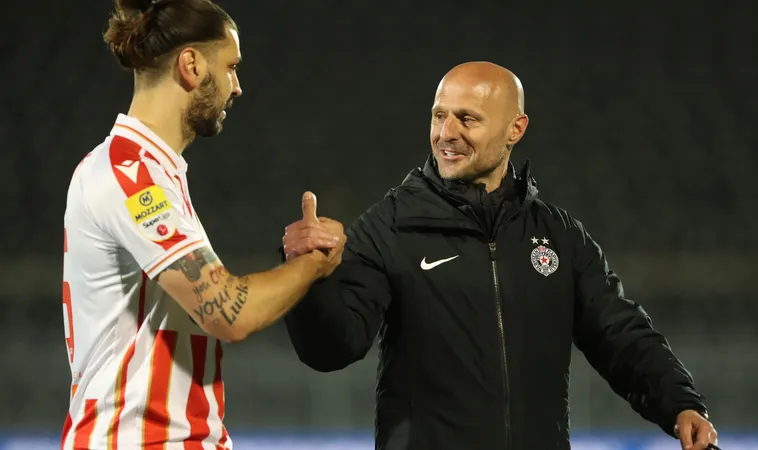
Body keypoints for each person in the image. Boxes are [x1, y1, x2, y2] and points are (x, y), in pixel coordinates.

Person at [282, 61, 719, 450]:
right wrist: (309, 278)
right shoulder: (392, 226)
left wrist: (679, 404)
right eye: (439, 116)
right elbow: (331, 348)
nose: (446, 133)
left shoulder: (557, 234)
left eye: (466, 119)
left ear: (516, 129)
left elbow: (620, 332)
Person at [60, 0, 342, 448]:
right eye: (231, 67)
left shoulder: (149, 170)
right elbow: (229, 312)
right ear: (190, 65)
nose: (237, 87)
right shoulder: (130, 175)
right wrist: (312, 264)